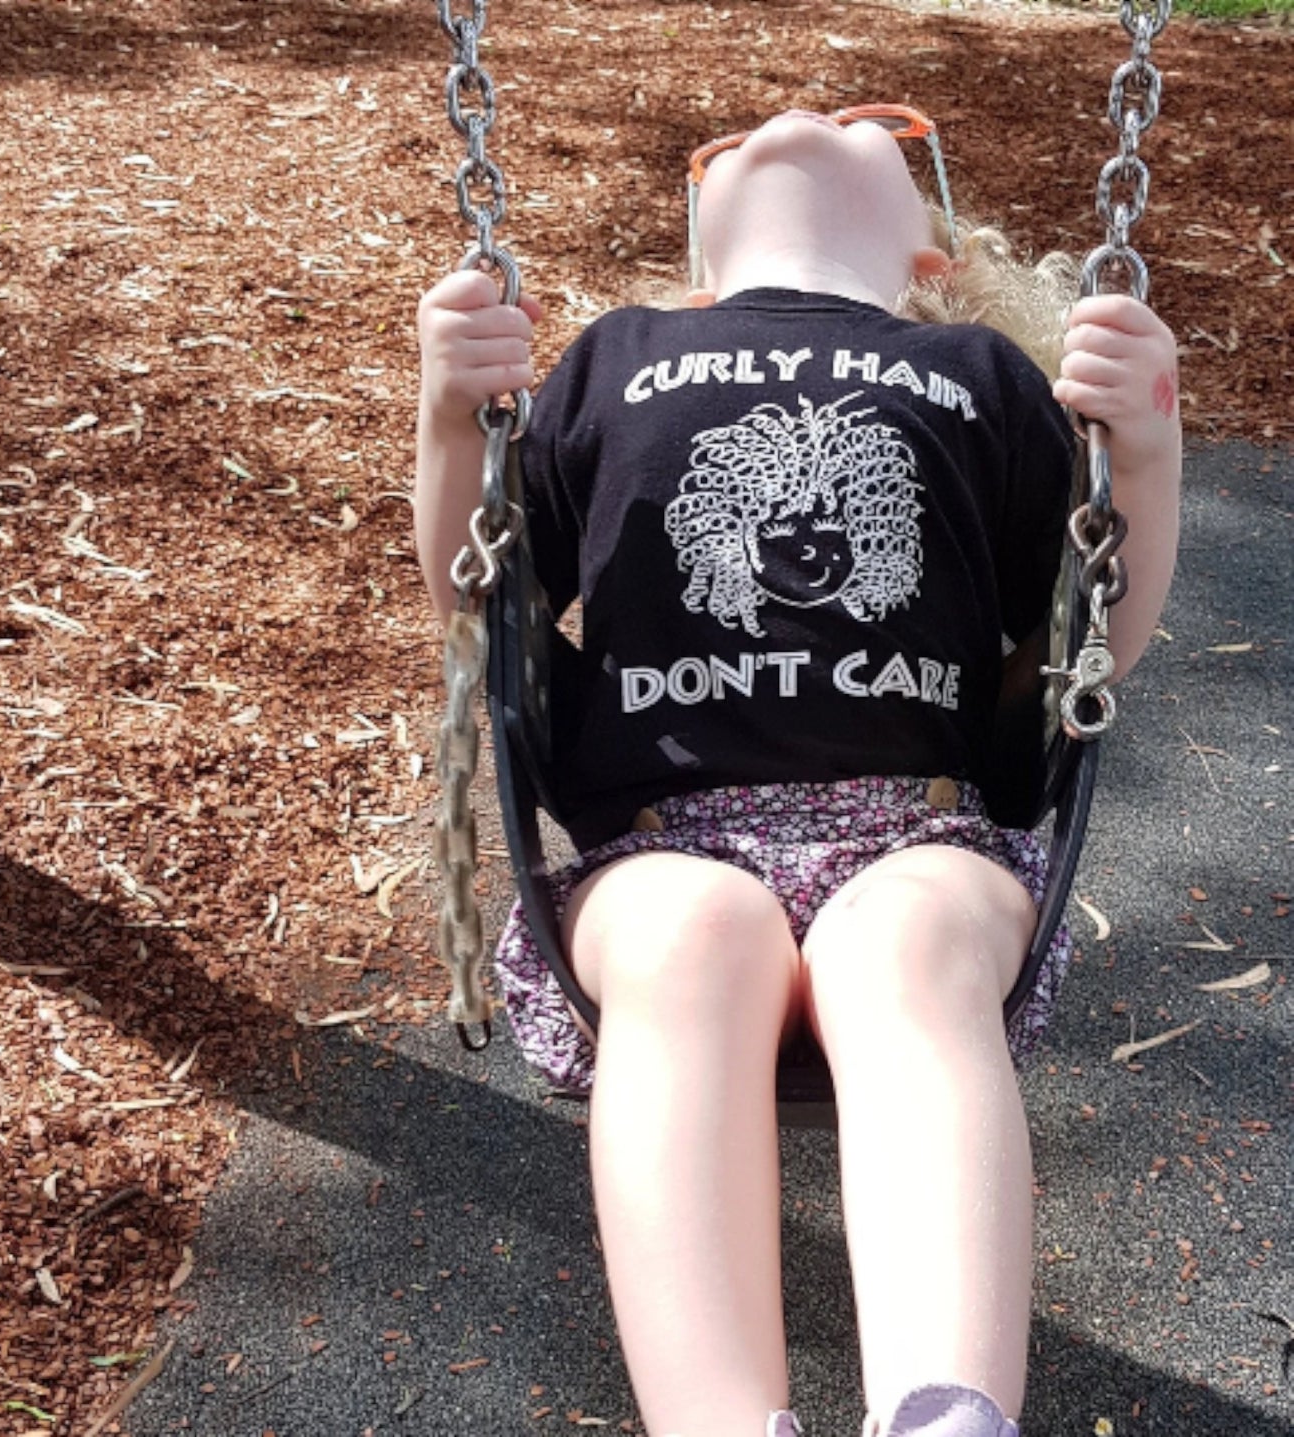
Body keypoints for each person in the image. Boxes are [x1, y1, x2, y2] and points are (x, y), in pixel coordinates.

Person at [414, 108, 1180, 1437]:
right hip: (662, 844)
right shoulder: (610, 362)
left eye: (863, 120)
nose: (809, 112)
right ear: (695, 270)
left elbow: (1080, 644)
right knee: (691, 935)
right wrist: (447, 419)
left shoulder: (980, 372)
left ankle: (945, 1416)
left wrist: (1146, 454)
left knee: (897, 943)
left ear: (928, 254)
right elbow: (479, 587)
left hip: (921, 836)